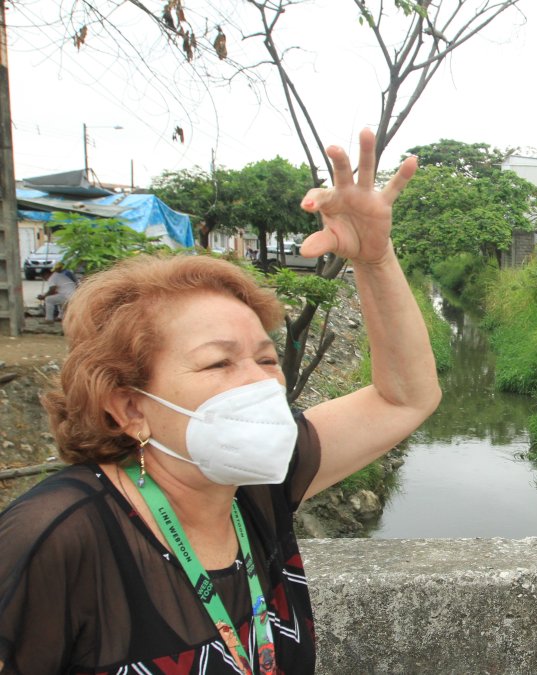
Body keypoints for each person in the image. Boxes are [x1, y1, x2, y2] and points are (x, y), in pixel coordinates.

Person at [0, 129, 441, 673]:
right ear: (129, 407)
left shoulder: (258, 486)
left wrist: (374, 260)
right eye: (218, 362)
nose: (260, 384)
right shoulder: (54, 538)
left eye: (265, 358)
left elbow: (405, 398)